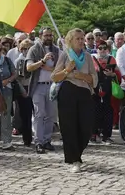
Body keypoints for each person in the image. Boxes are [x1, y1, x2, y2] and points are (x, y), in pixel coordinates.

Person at [52, 28, 98, 173]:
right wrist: (67, 70)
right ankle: (74, 159)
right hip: (67, 92)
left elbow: (94, 79)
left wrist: (81, 76)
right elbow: (54, 77)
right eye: (77, 38)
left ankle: (78, 152)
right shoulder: (65, 55)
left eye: (82, 38)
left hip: (84, 93)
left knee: (86, 128)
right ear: (70, 40)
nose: (80, 41)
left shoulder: (88, 56)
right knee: (69, 127)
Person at [25, 27, 60, 154]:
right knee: (39, 114)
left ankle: (46, 140)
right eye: (46, 35)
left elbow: (61, 68)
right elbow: (29, 67)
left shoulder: (56, 50)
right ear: (40, 36)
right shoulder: (34, 49)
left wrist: (50, 69)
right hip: (38, 86)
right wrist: (42, 61)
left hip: (52, 85)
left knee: (51, 114)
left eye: (50, 35)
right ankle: (38, 141)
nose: (49, 38)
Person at [92, 40, 118, 144]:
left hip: (108, 87)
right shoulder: (92, 59)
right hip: (95, 87)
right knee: (95, 110)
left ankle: (106, 135)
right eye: (100, 48)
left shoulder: (111, 59)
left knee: (108, 111)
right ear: (97, 49)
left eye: (104, 48)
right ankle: (94, 133)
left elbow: (118, 75)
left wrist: (113, 75)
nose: (102, 50)